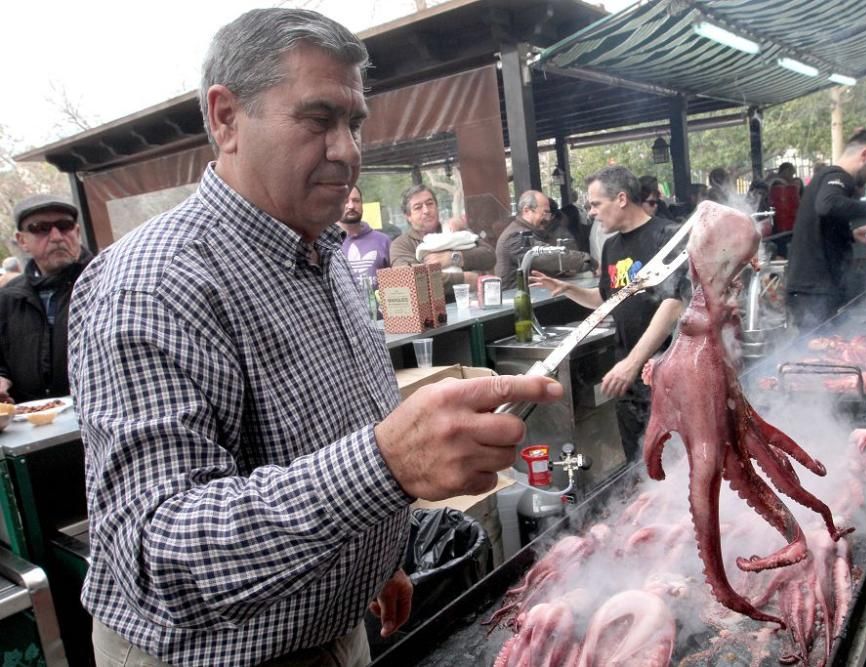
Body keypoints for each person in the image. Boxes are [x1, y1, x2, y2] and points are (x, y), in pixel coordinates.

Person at [68, 10, 561, 667]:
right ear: (225, 117)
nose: (349, 150)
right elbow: (159, 558)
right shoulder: (150, 284)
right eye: (318, 118)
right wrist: (385, 467)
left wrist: (373, 559)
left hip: (333, 628)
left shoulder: (318, 252)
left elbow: (320, 437)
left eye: (354, 123)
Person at [531, 166, 686, 462]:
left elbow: (674, 304)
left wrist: (633, 362)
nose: (590, 212)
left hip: (668, 374)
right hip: (629, 379)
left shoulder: (666, 235)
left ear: (622, 199)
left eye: (596, 204)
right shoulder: (612, 246)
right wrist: (566, 289)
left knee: (675, 466)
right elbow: (607, 300)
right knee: (639, 466)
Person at [785, 129, 866, 329]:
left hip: (815, 288)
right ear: (865, 155)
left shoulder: (832, 178)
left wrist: (850, 235)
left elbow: (821, 224)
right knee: (818, 353)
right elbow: (827, 204)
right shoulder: (837, 176)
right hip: (813, 291)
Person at [0, 194, 91, 404]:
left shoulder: (103, 282)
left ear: (77, 232)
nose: (57, 236)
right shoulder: (8, 298)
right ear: (22, 240)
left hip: (99, 422)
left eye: (64, 225)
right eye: (41, 228)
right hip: (34, 426)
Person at [390, 184, 495, 292]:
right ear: (408, 216)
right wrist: (465, 279)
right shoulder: (401, 245)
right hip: (435, 307)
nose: (426, 210)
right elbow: (412, 280)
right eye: (418, 207)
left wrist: (454, 258)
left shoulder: (453, 230)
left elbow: (489, 256)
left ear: (437, 206)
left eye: (430, 203)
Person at [494, 190, 593, 289]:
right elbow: (549, 257)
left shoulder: (531, 232)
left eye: (548, 214)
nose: (548, 219)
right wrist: (588, 261)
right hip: (518, 298)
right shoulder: (515, 236)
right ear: (526, 210)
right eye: (544, 213)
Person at [338, 185, 391, 281]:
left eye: (356, 201)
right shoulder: (325, 243)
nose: (351, 206)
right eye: (345, 201)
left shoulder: (383, 241)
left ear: (362, 204)